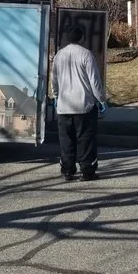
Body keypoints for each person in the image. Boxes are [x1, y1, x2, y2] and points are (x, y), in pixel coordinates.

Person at [51, 25, 106, 181]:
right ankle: (87, 170)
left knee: (66, 141)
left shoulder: (59, 56)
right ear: (82, 38)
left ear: (68, 38)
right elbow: (94, 82)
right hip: (84, 106)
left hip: (64, 106)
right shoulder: (86, 55)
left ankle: (67, 170)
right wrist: (101, 100)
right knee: (85, 140)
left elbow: (54, 80)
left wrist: (56, 96)